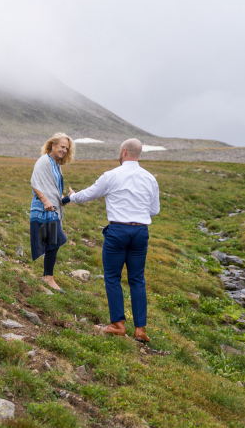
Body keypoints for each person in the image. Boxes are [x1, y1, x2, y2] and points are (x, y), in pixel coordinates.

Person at [66, 138, 160, 342]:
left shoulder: (112, 175)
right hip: (141, 232)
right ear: (138, 153)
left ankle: (118, 324)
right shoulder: (150, 178)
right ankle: (140, 330)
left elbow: (87, 195)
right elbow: (154, 210)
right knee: (137, 279)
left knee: (112, 277)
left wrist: (72, 196)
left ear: (124, 151)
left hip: (118, 230)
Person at [30, 133, 74, 292]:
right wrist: (46, 201)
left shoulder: (56, 164)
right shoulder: (44, 161)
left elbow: (54, 191)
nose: (64, 150)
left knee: (52, 241)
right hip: (43, 208)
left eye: (66, 148)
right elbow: (34, 182)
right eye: (62, 147)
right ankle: (48, 277)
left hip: (52, 208)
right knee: (55, 240)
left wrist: (66, 199)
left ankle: (47, 277)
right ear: (53, 145)